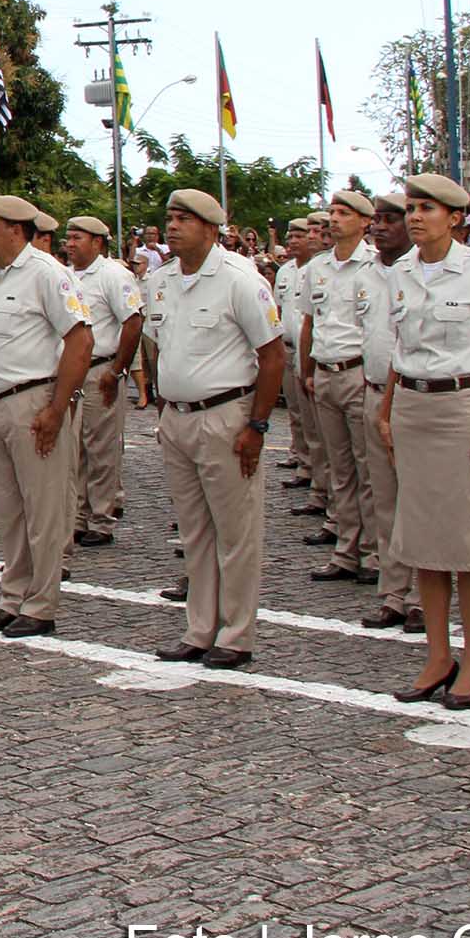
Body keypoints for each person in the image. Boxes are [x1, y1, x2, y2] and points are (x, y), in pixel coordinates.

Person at [376, 174, 470, 709]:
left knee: (468, 543)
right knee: (422, 542)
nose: (414, 217)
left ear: (455, 218)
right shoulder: (400, 275)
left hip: (464, 408)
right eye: (410, 208)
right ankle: (438, 655)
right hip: (413, 407)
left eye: (426, 209)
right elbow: (398, 350)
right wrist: (388, 412)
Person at [145, 191, 284, 668]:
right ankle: (200, 627)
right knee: (194, 531)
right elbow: (161, 349)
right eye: (170, 218)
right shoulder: (160, 281)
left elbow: (272, 355)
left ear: (211, 227)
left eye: (184, 219)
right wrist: (164, 409)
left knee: (235, 531)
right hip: (178, 417)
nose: (173, 226)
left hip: (227, 415)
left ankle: (237, 633)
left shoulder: (239, 280)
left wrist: (258, 425)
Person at [0, 195, 93, 637]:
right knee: (12, 510)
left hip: (32, 402)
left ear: (16, 230)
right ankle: (12, 596)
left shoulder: (46, 274)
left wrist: (58, 408)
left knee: (43, 509)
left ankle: (40, 605)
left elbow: (79, 341)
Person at [298, 192, 379, 588]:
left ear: (365, 222)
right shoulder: (317, 268)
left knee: (369, 469)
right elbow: (310, 323)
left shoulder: (376, 266)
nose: (334, 219)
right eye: (332, 212)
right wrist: (308, 370)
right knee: (339, 469)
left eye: (344, 213)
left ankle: (374, 552)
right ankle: (346, 549)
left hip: (359, 372)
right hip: (326, 372)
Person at [354, 196, 422, 631]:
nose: (379, 227)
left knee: (421, 500)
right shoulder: (365, 275)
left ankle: (422, 595)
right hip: (374, 392)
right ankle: (393, 592)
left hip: (415, 396)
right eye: (376, 220)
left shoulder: (423, 270)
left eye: (390, 219)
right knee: (386, 500)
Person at [63, 215, 142, 549]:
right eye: (68, 237)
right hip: (74, 370)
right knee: (75, 447)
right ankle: (80, 516)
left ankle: (102, 518)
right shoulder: (66, 275)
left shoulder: (114, 275)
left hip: (101, 368)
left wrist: (118, 370)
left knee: (101, 446)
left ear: (97, 241)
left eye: (76, 237)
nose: (69, 244)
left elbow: (133, 322)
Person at [273, 219, 329, 522]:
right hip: (291, 348)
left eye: (301, 235)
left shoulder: (319, 270)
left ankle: (324, 487)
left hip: (320, 355)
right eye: (291, 236)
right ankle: (307, 467)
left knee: (323, 430)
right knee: (300, 418)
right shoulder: (285, 272)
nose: (295, 240)